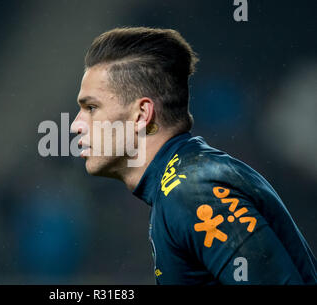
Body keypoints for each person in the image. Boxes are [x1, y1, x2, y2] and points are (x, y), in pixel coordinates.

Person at [70, 27, 316, 284]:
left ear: (142, 115)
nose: (75, 125)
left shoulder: (192, 190)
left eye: (91, 107)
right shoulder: (178, 185)